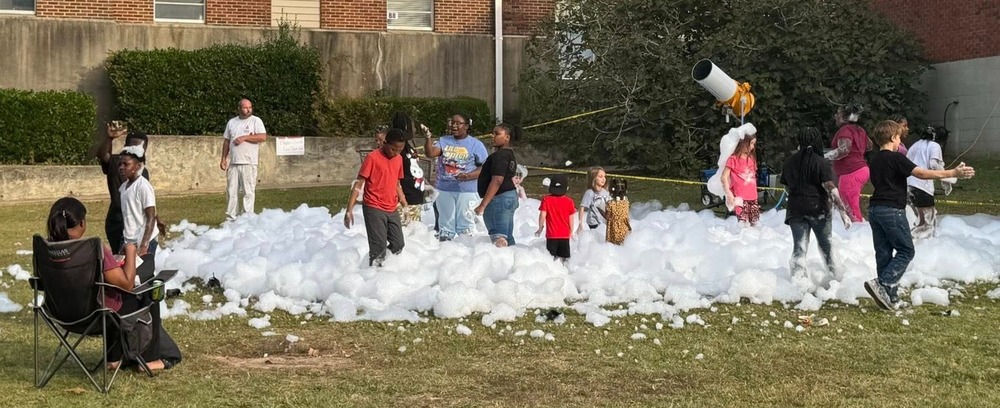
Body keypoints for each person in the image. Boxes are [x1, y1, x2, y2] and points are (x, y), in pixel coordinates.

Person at [46, 197, 181, 371]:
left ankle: (114, 358)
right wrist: (130, 251)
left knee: (106, 297)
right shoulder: (91, 248)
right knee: (149, 292)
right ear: (81, 223)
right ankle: (149, 359)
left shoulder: (46, 249)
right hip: (96, 316)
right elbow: (127, 284)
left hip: (61, 315)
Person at [862, 120, 975, 310]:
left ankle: (889, 296)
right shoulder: (896, 158)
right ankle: (883, 283)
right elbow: (921, 174)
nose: (900, 140)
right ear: (892, 137)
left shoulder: (875, 160)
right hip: (892, 210)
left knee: (884, 253)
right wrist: (953, 172)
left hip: (875, 210)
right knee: (906, 250)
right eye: (898, 137)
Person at [781, 127, 853, 283]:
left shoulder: (789, 162)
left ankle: (798, 280)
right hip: (818, 209)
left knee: (799, 247)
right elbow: (831, 188)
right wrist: (843, 212)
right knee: (826, 245)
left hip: (796, 210)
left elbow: (787, 185)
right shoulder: (822, 162)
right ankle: (835, 277)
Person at [345, 129, 408, 267]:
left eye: (400, 150)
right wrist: (349, 209)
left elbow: (396, 183)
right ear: (385, 143)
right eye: (393, 149)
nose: (396, 153)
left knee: (398, 244)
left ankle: (385, 267)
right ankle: (374, 273)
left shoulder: (398, 159)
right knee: (378, 247)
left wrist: (405, 204)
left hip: (391, 207)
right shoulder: (372, 158)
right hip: (373, 207)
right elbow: (358, 184)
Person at [424, 113, 489, 241]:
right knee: (446, 223)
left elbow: (485, 168)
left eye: (458, 123)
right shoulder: (444, 141)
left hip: (467, 190)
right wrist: (428, 138)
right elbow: (430, 153)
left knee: (465, 224)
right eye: (452, 122)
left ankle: (466, 249)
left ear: (467, 126)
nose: (454, 126)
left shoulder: (476, 144)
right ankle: (446, 248)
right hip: (444, 189)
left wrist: (469, 175)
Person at [95, 122, 150, 252]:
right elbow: (102, 155)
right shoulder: (116, 163)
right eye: (134, 146)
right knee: (120, 258)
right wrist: (110, 138)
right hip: (118, 221)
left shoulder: (144, 172)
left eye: (141, 147)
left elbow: (146, 200)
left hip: (137, 222)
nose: (136, 150)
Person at [220, 98, 267, 221]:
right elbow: (226, 141)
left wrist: (244, 137)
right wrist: (223, 158)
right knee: (231, 191)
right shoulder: (232, 122)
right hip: (234, 162)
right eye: (245, 107)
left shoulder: (256, 121)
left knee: (248, 192)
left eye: (250, 107)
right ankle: (231, 219)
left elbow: (262, 136)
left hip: (249, 162)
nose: (248, 109)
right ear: (239, 108)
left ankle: (247, 219)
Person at [474, 124, 521, 247]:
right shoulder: (509, 154)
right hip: (509, 197)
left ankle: (501, 264)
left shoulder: (500, 156)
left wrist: (483, 205)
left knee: (498, 238)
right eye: (492, 133)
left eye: (497, 134)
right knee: (507, 237)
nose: (493, 136)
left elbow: (497, 180)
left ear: (507, 137)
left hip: (499, 199)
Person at [825, 103, 870, 223]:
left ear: (846, 117)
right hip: (861, 169)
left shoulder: (845, 130)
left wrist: (824, 157)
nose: (836, 116)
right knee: (851, 203)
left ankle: (857, 231)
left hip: (851, 171)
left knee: (850, 207)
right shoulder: (859, 130)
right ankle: (857, 229)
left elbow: (844, 150)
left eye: (838, 114)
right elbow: (869, 145)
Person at [906, 126, 950, 237]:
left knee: (920, 221)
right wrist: (946, 177)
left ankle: (916, 243)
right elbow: (933, 165)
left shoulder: (914, 145)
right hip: (922, 187)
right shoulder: (934, 146)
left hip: (908, 185)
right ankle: (920, 245)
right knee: (928, 224)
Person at [390, 112, 429, 226]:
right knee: (406, 230)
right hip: (405, 198)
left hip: (413, 196)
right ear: (406, 128)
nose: (415, 130)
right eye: (413, 127)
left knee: (414, 230)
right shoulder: (398, 149)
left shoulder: (407, 146)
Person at [119, 146, 159, 257]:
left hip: (144, 241)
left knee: (143, 272)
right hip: (129, 240)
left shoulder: (143, 187)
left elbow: (150, 217)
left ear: (138, 166)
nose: (121, 167)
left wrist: (144, 245)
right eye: (120, 164)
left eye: (126, 164)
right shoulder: (123, 187)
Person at [535, 174, 576, 262]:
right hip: (565, 235)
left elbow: (542, 215)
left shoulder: (546, 200)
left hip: (552, 235)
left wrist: (540, 227)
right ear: (566, 188)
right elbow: (571, 219)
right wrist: (571, 232)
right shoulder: (569, 202)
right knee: (564, 260)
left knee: (551, 259)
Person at [721, 133, 760, 226]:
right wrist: (729, 193)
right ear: (742, 143)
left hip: (753, 196)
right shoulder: (733, 159)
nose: (752, 147)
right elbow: (724, 177)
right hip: (739, 197)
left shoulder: (751, 158)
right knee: (743, 223)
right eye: (751, 143)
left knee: (755, 223)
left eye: (754, 144)